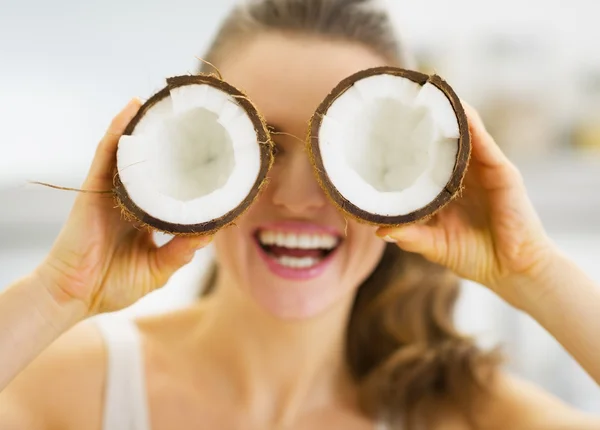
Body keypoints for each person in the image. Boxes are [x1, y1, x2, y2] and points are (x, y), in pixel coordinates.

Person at [1, 0, 599, 429]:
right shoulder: (73, 389)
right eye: (263, 146)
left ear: (414, 182)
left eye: (332, 160)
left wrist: (535, 272)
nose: (295, 197)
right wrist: (57, 295)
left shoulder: (470, 415)